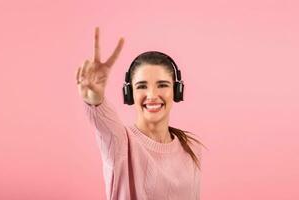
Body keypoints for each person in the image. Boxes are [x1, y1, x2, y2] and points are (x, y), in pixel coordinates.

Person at [76, 27, 205, 200]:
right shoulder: (120, 142)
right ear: (130, 94)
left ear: (177, 90)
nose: (152, 95)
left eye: (162, 84)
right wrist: (95, 100)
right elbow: (104, 124)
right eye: (142, 86)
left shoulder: (191, 147)